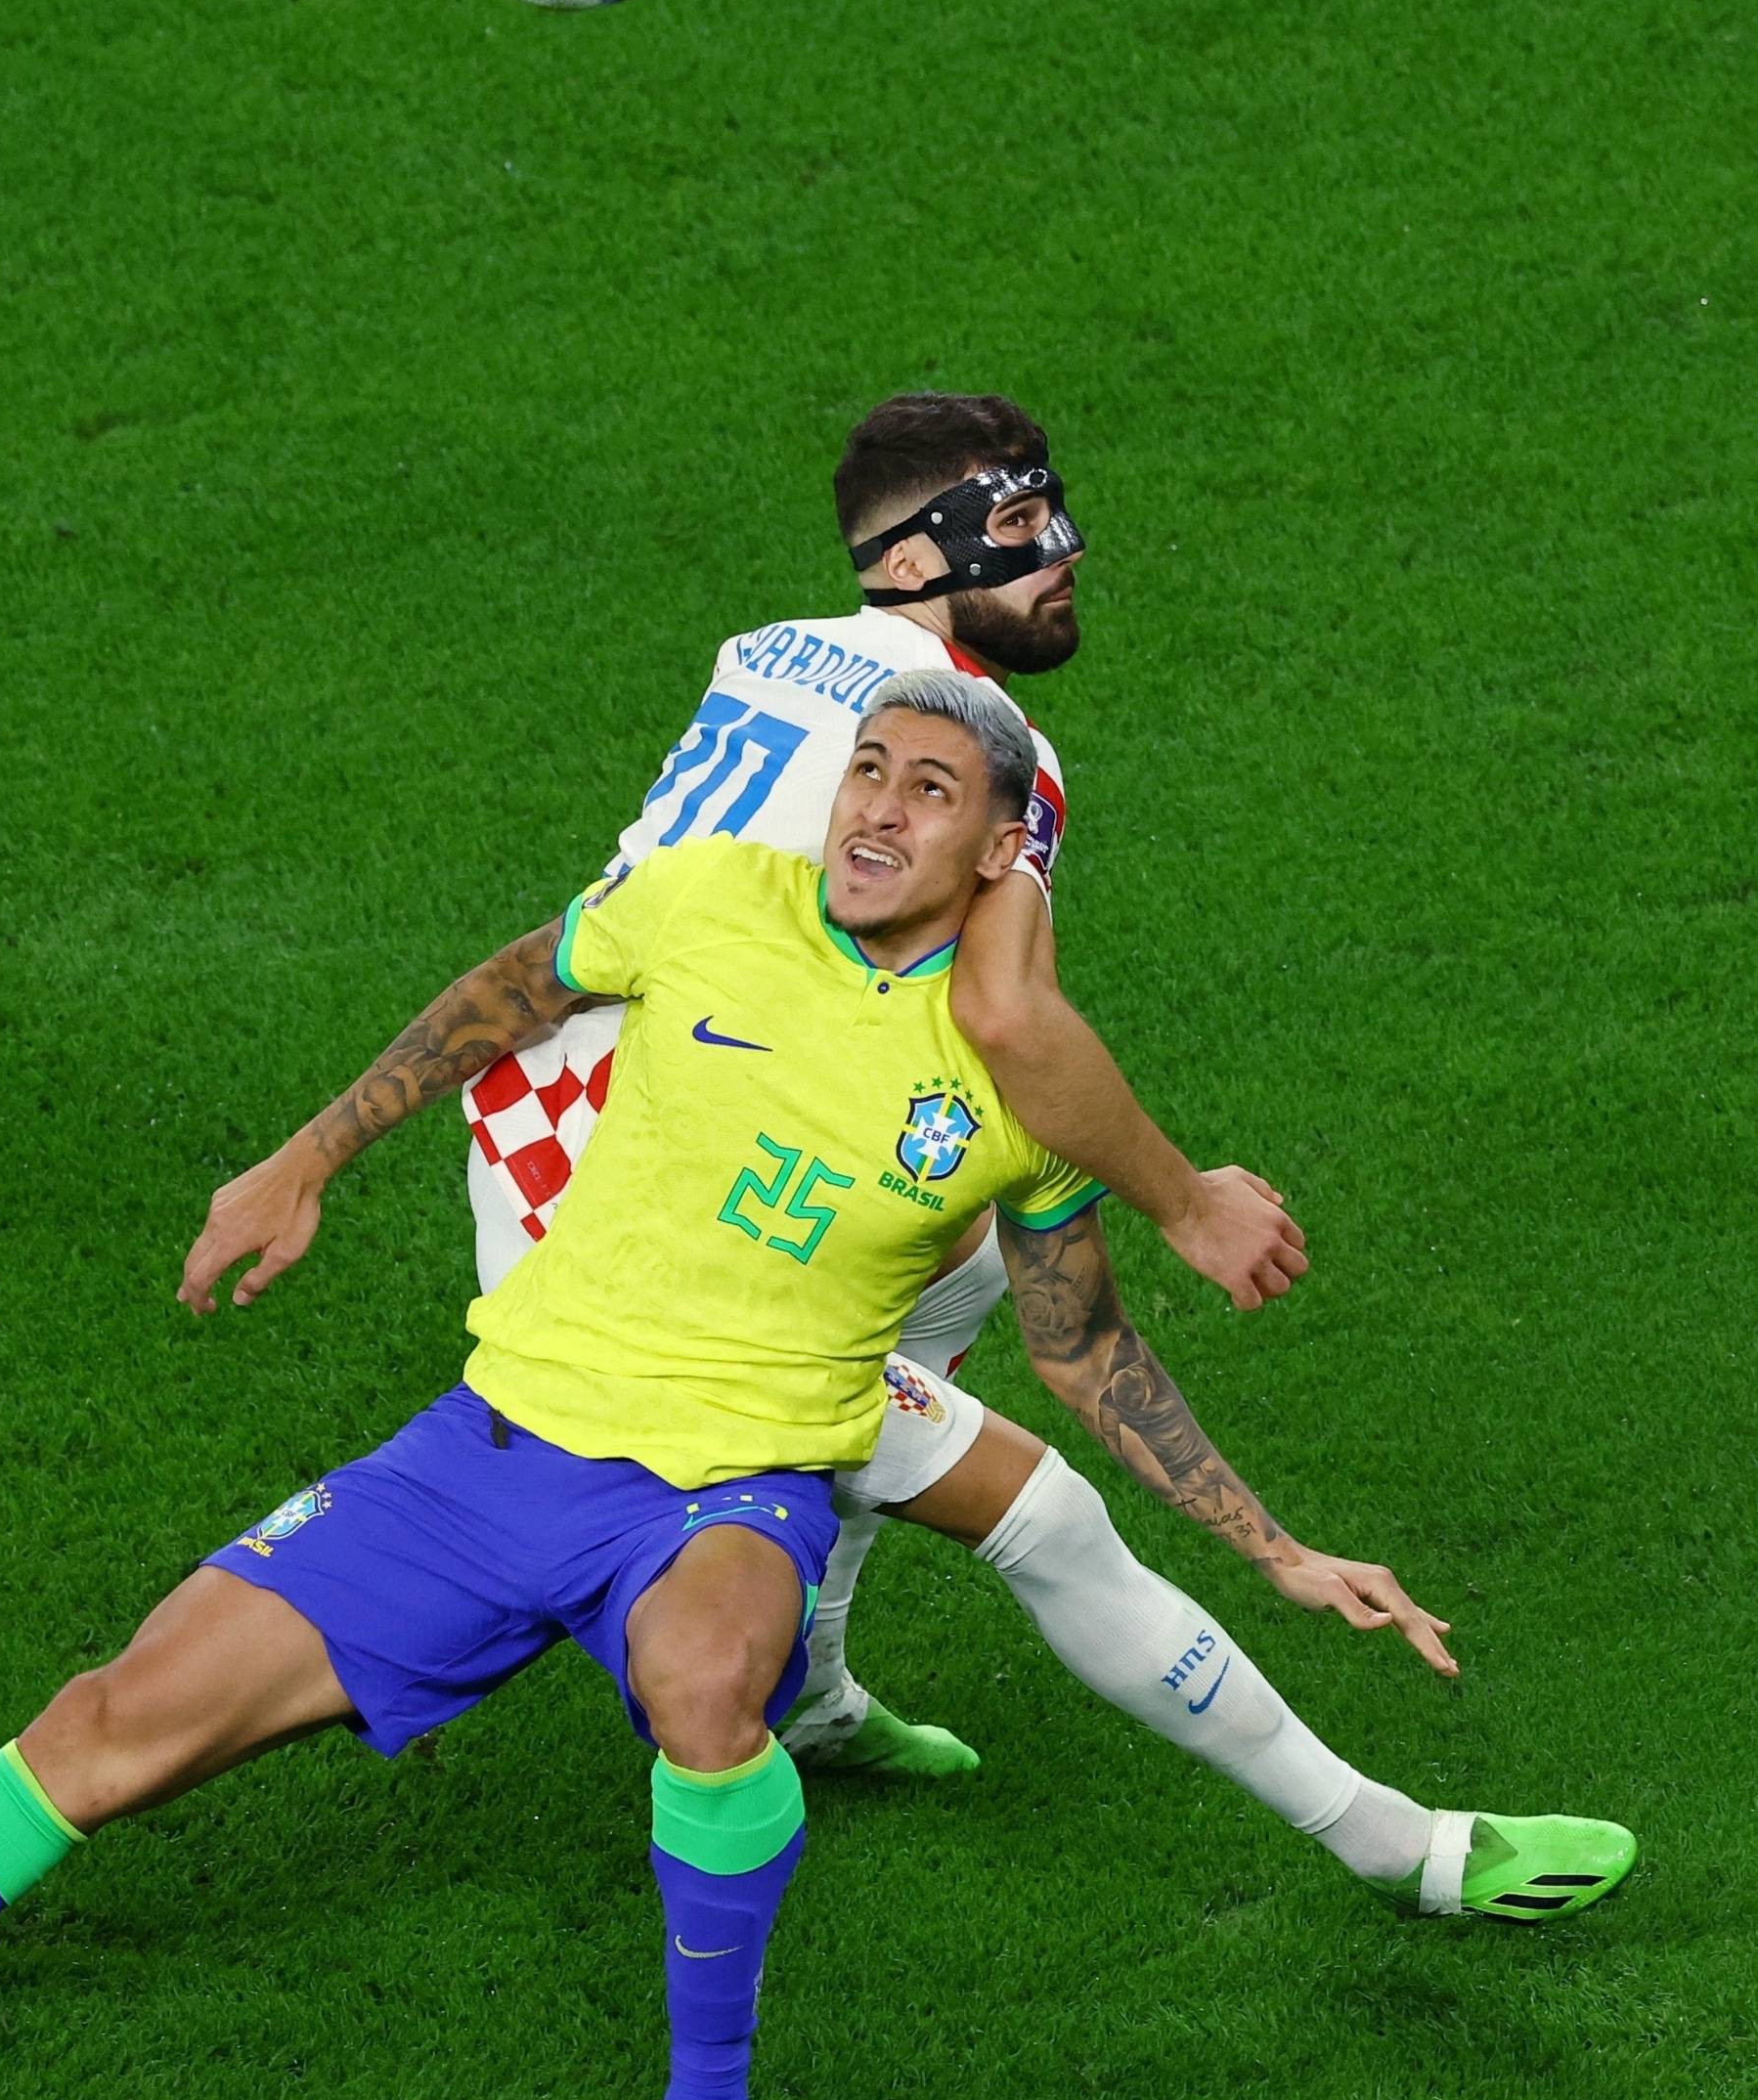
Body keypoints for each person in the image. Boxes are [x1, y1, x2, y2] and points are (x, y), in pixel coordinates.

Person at [0, 684, 1632, 2100]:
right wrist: (306, 1155)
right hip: (483, 1459)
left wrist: (1277, 1546)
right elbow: (504, 992)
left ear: (993, 844)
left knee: (709, 1686)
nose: (869, 809)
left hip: (729, 1490)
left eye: (928, 789)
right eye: (865, 768)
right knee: (98, 1735)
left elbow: (1089, 1347)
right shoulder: (700, 900)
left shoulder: (1020, 1078)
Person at [466, 391, 1304, 1775]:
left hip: (547, 1088)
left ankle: (805, 1681)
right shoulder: (982, 744)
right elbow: (1003, 1012)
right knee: (1004, 1487)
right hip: (655, 1160)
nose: (1067, 550)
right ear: (916, 563)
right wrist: (1188, 1202)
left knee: (961, 1261)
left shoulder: (773, 647)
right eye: (1023, 525)